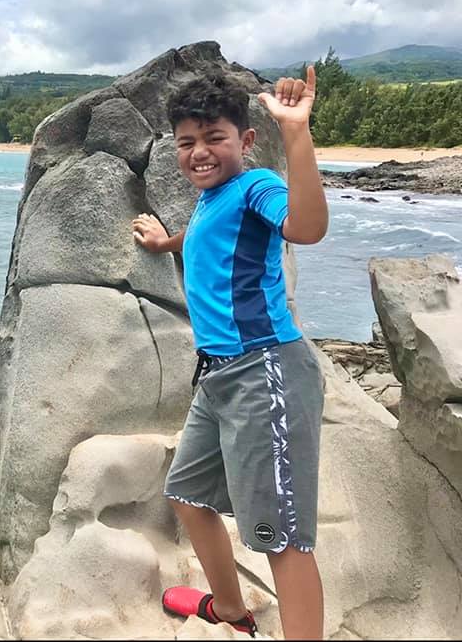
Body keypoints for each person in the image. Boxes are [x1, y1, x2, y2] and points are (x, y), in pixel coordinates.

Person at [132, 67, 328, 639]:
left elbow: (307, 226)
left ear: (244, 141)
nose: (199, 152)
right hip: (218, 378)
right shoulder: (214, 198)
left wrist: (295, 131)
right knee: (188, 495)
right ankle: (233, 612)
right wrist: (165, 241)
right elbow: (209, 242)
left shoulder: (256, 186)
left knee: (282, 538)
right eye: (186, 142)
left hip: (264, 373)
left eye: (214, 138)